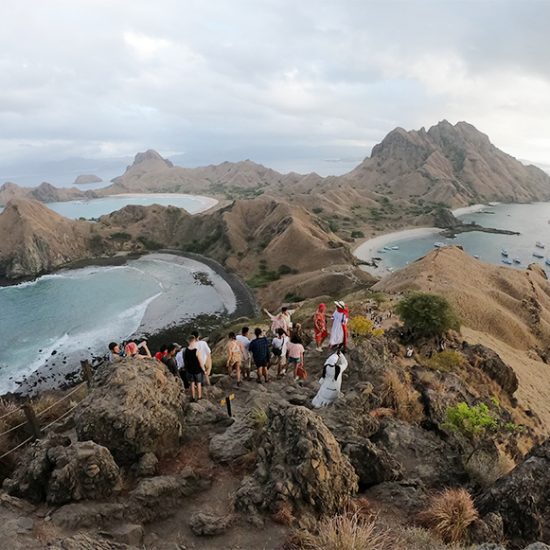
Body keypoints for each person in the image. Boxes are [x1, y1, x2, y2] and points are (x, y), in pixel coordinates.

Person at [184, 335, 206, 401]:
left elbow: (185, 361)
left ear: (188, 341)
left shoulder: (185, 351)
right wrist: (204, 369)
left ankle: (193, 397)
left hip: (190, 370)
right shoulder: (196, 351)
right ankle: (199, 396)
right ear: (194, 340)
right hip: (197, 370)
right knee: (199, 383)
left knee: (192, 383)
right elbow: (200, 362)